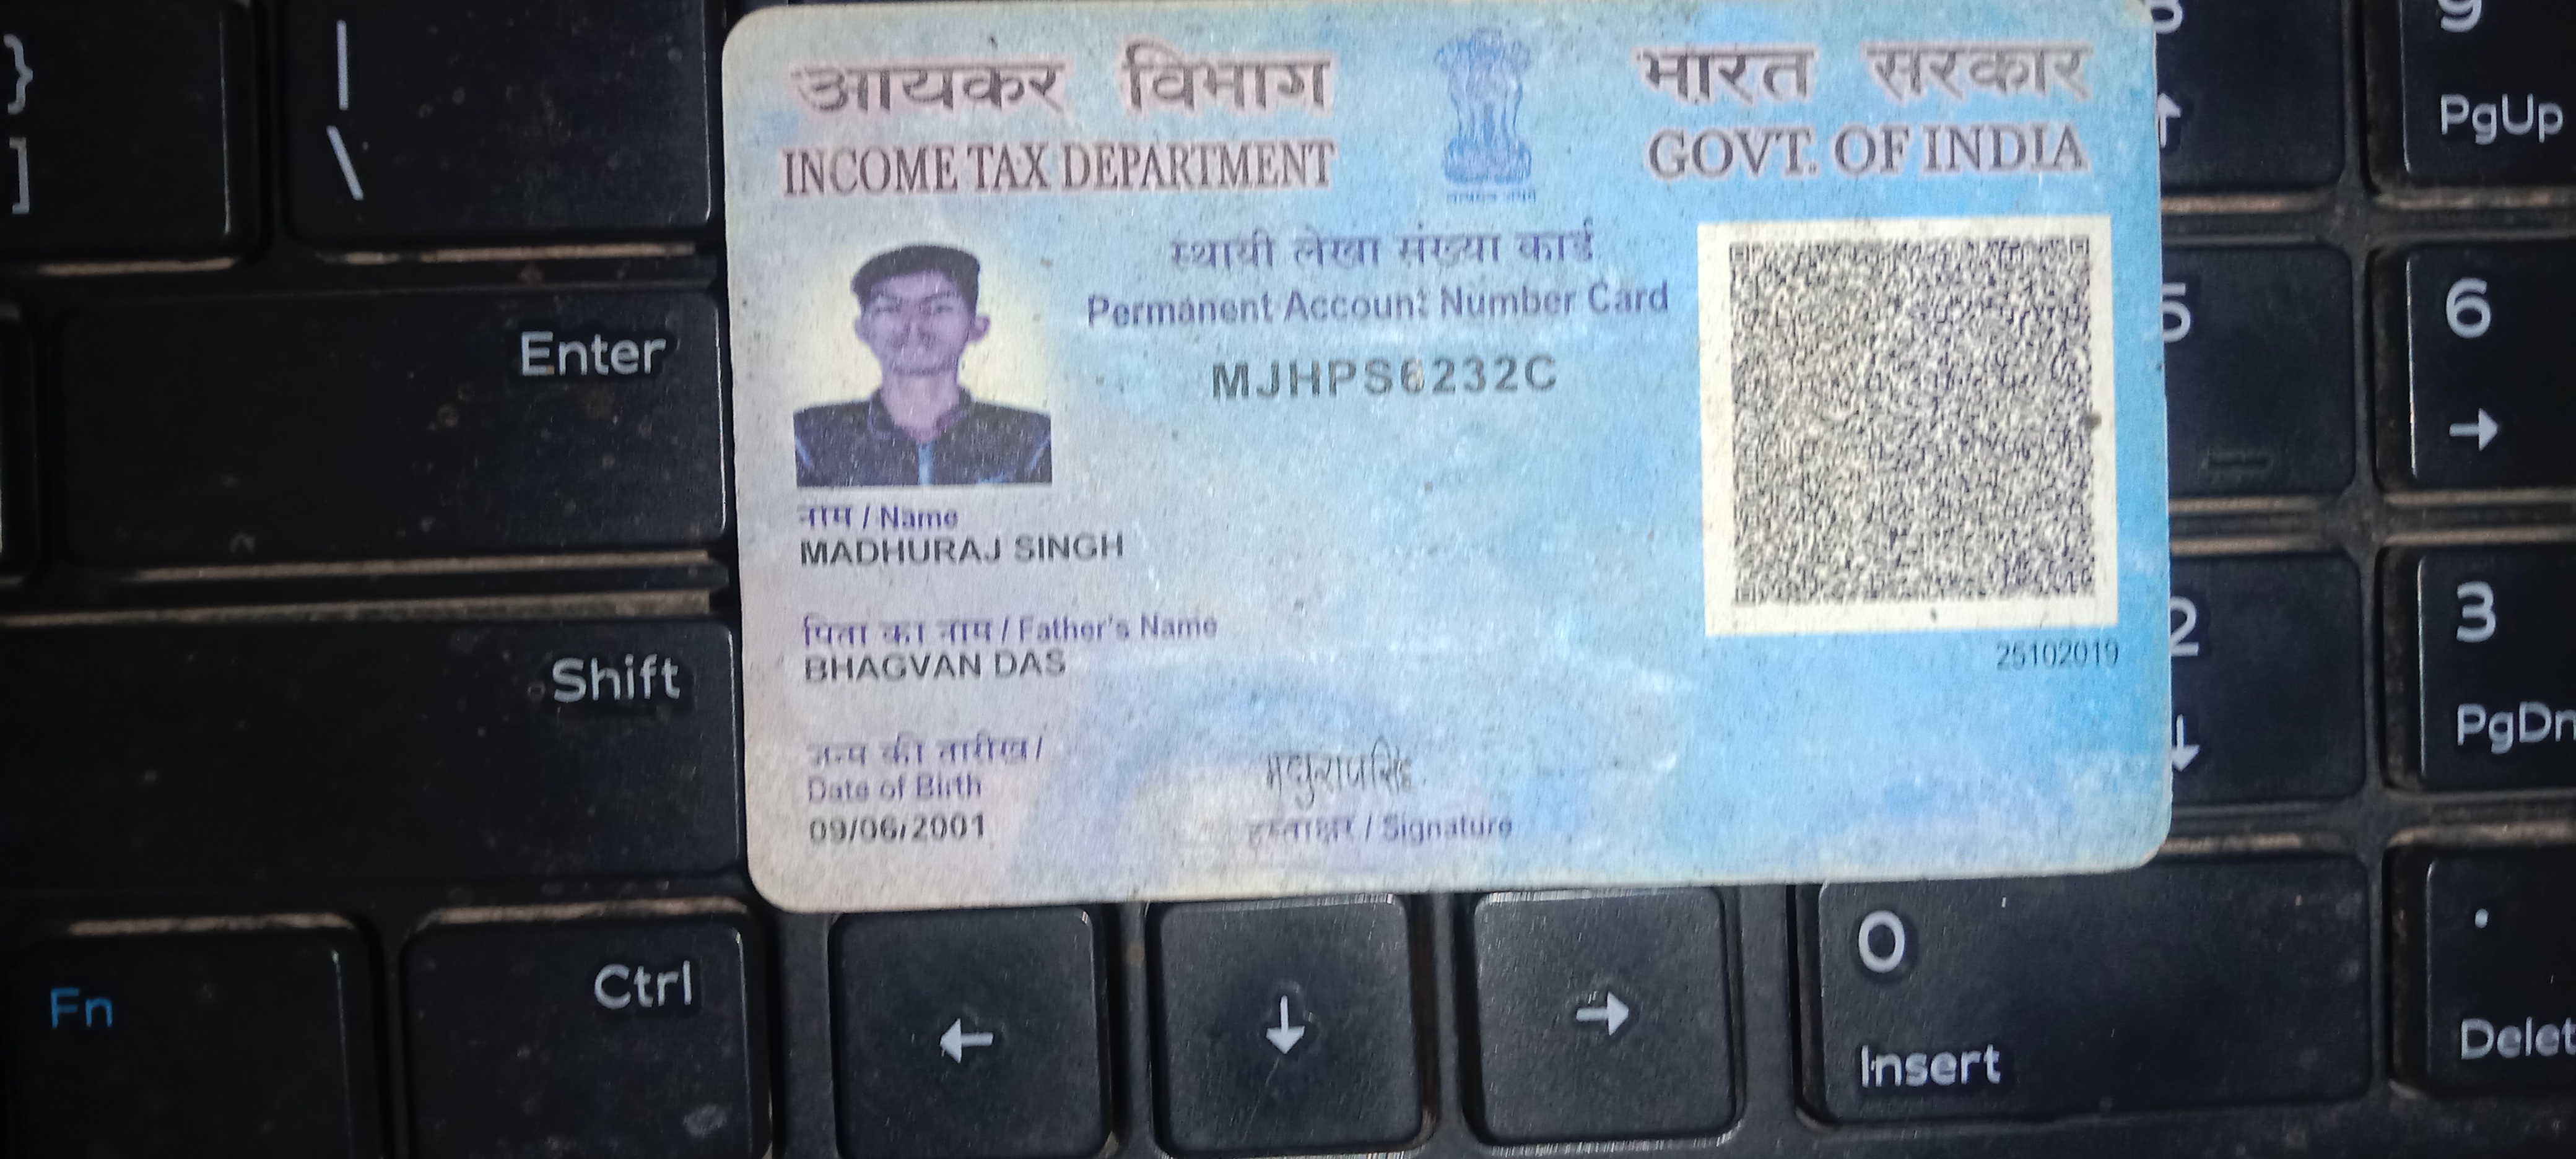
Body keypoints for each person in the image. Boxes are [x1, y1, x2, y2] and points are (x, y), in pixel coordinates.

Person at [794, 245, 1051, 487]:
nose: (914, 326)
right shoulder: (810, 437)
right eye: (890, 309)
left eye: (939, 308)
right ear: (863, 329)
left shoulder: (1033, 439)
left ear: (977, 327)